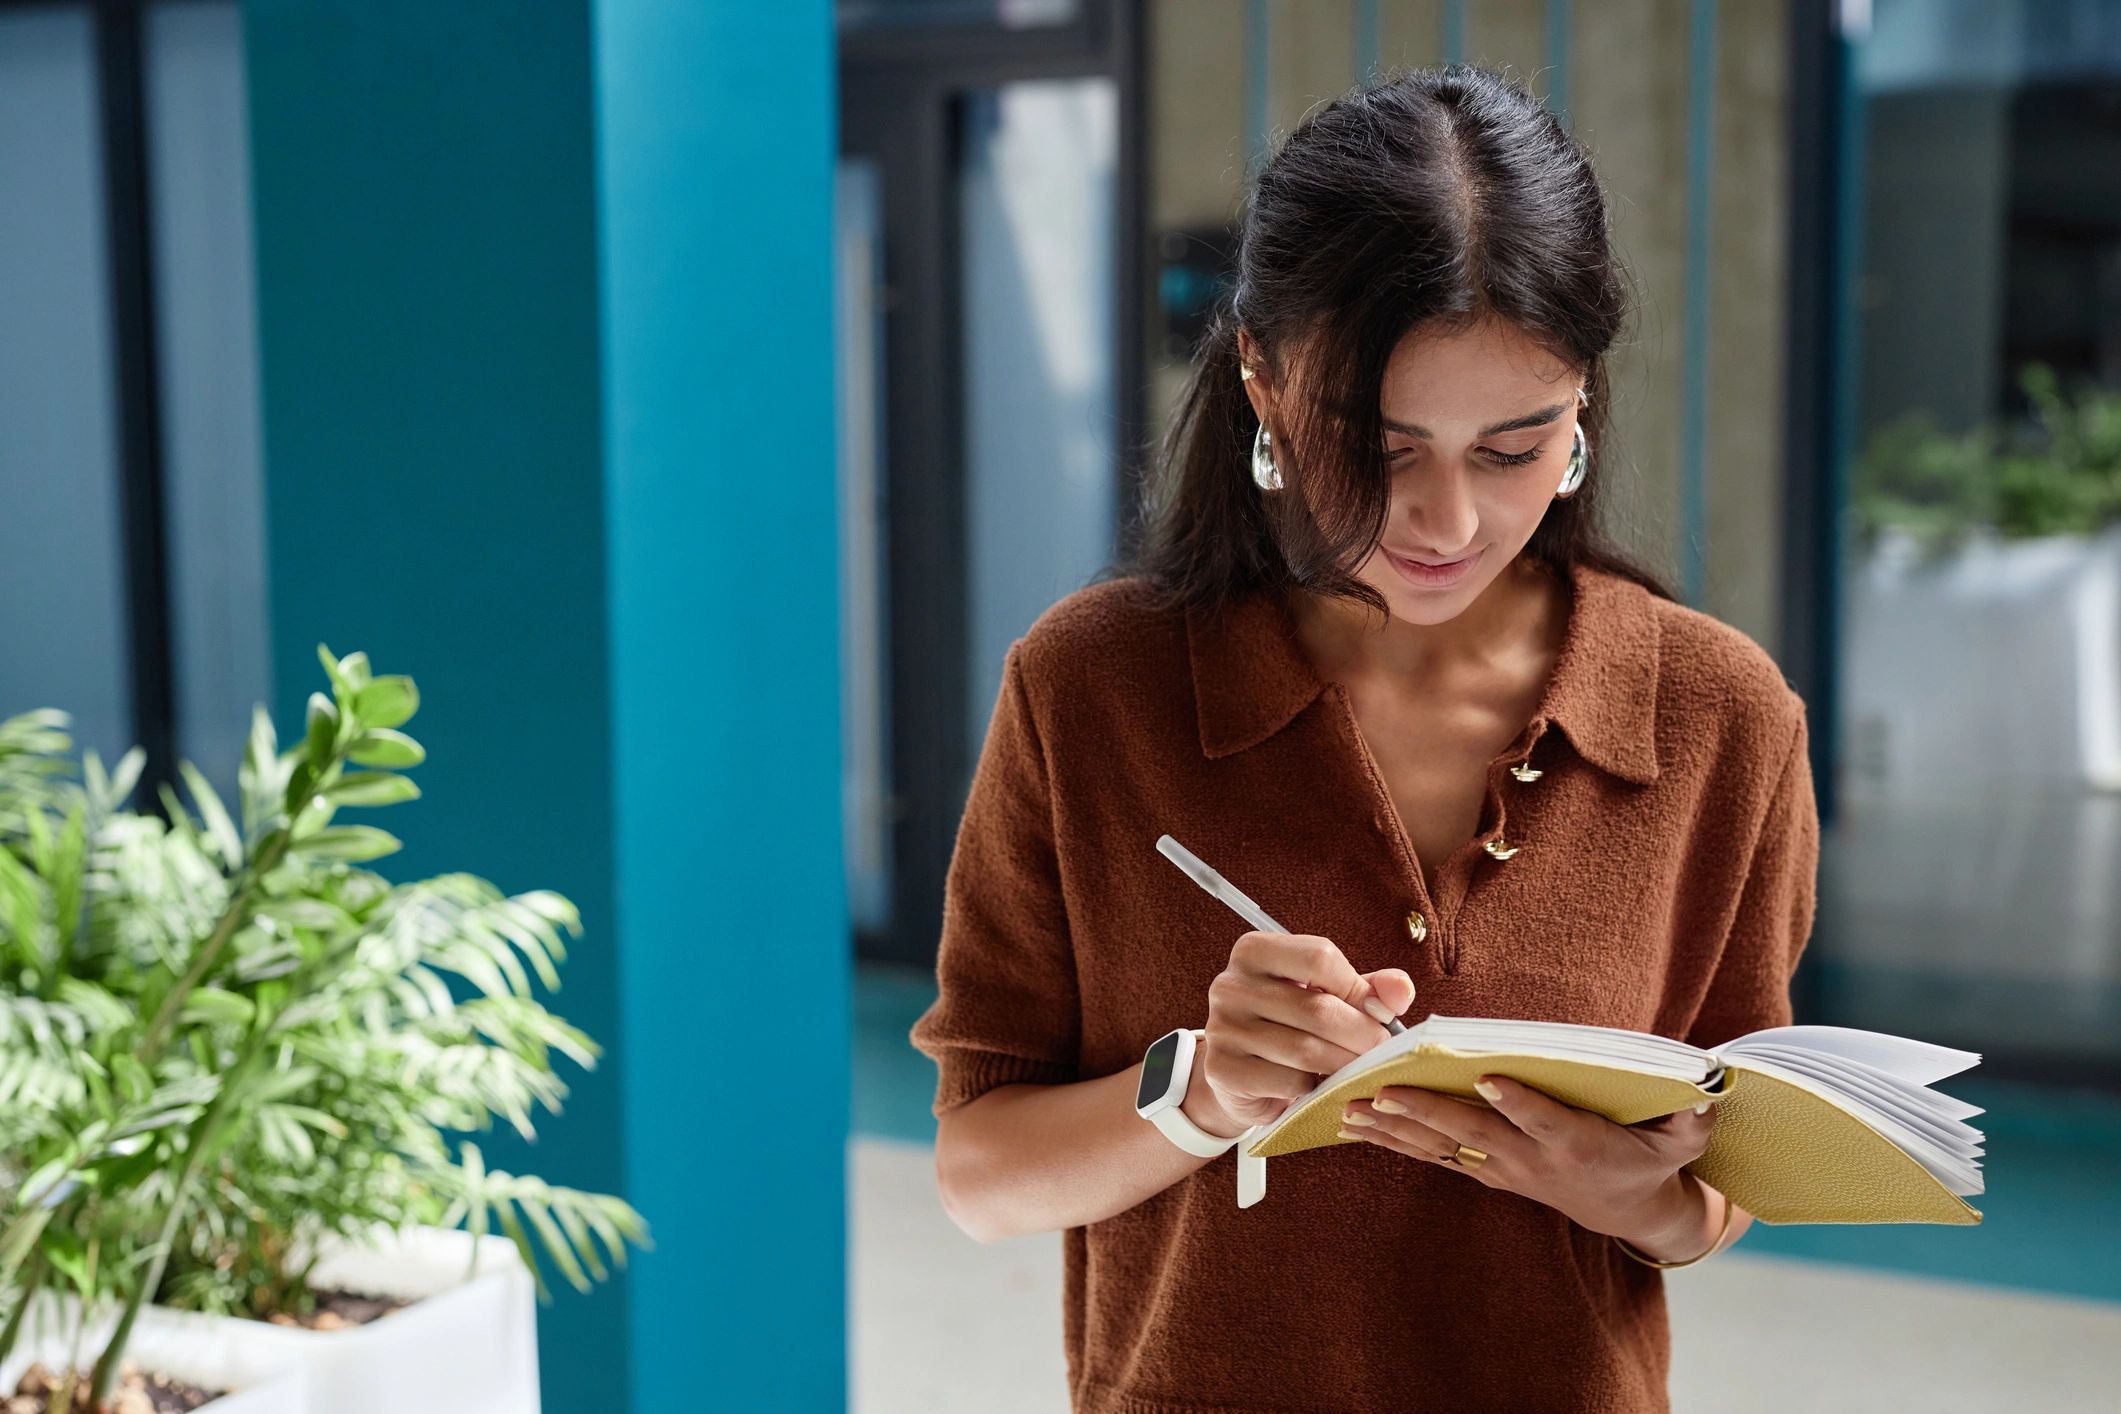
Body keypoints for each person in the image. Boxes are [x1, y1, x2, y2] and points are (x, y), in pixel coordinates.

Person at [910, 63, 1818, 1414]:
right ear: (1262, 383)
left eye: (1512, 448)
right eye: (1379, 448)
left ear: (1580, 409)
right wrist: (1200, 1089)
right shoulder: (1091, 688)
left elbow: (1729, 1174)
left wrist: (1651, 1203)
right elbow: (982, 1174)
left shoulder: (1716, 718)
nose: (1445, 522)